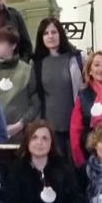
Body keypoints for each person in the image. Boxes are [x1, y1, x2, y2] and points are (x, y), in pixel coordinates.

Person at [32, 17, 83, 158]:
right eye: (46, 33)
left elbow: (81, 90)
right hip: (50, 127)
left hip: (74, 123)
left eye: (54, 32)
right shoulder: (37, 63)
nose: (50, 36)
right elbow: (36, 95)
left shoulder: (75, 58)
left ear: (60, 34)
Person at [0, 26, 38, 142]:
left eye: (1, 43)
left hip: (21, 135)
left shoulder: (27, 70)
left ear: (13, 45)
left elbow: (36, 102)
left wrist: (20, 124)